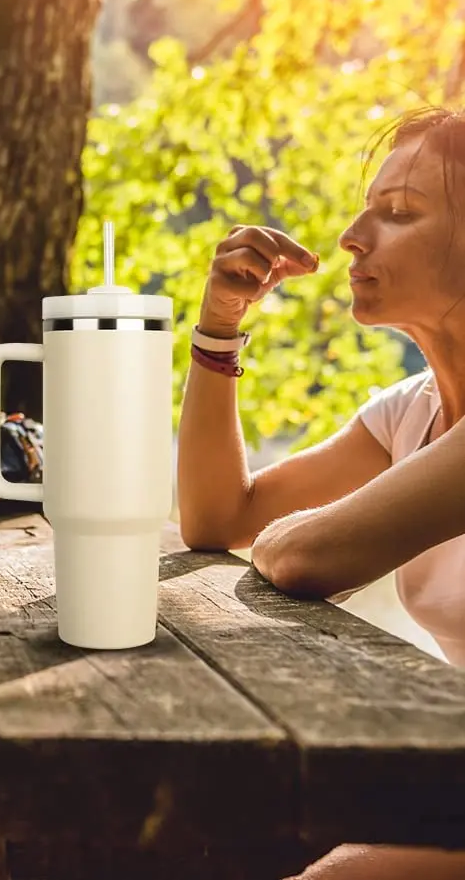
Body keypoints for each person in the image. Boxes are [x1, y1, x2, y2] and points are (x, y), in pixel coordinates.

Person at [178, 106, 465, 878]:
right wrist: (218, 326)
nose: (351, 235)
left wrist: (289, 538)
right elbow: (217, 517)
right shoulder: (413, 411)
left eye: (398, 212)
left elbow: (303, 554)